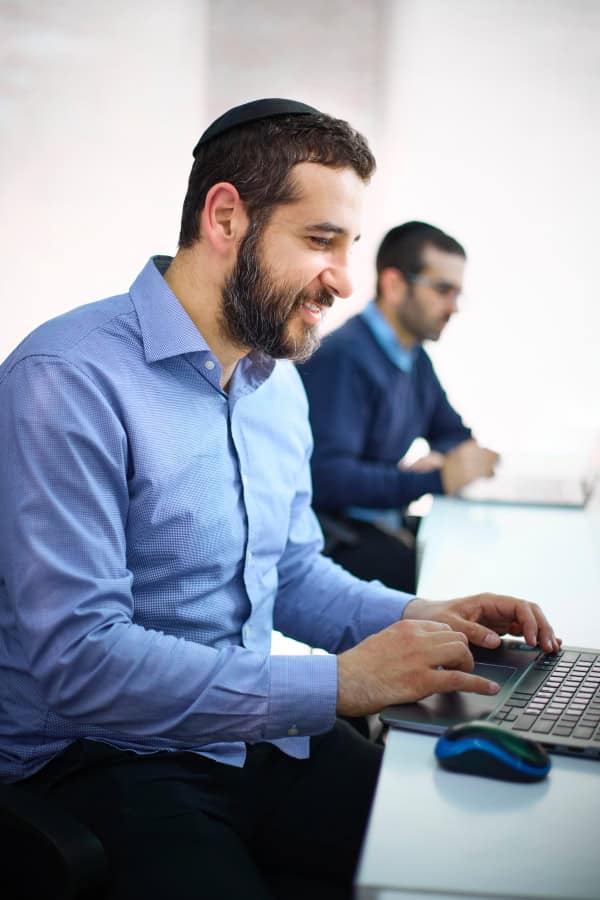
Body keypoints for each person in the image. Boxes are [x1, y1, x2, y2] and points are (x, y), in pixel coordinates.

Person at [0, 100, 559, 900]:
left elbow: (291, 573)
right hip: (104, 763)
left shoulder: (275, 387)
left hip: (253, 731)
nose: (342, 280)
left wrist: (427, 616)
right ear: (226, 217)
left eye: (349, 246)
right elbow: (81, 662)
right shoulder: (67, 380)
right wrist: (336, 685)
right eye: (319, 241)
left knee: (480, 854)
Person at [299, 221, 499, 592]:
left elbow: (452, 434)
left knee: (480, 552)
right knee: (455, 583)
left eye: (457, 293)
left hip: (377, 520)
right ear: (393, 285)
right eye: (443, 290)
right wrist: (435, 478)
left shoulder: (413, 357)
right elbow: (328, 479)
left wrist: (448, 462)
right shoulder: (344, 358)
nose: (453, 307)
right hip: (333, 539)